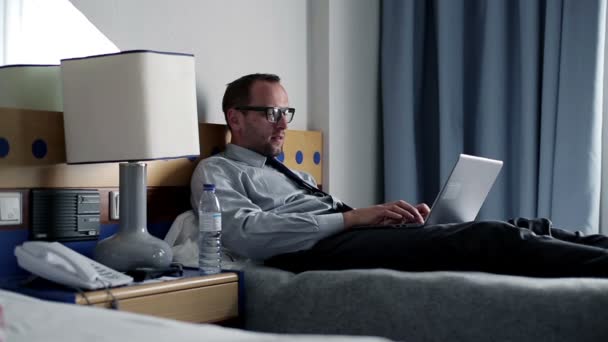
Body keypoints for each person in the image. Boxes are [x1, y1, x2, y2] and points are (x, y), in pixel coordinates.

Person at [191, 73, 608, 278]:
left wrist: (384, 219)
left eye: (286, 112)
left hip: (350, 238)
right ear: (235, 118)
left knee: (521, 226)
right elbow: (244, 233)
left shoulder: (293, 171)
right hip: (311, 254)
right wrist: (354, 218)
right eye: (271, 113)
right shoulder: (217, 170)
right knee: (490, 238)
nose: (283, 123)